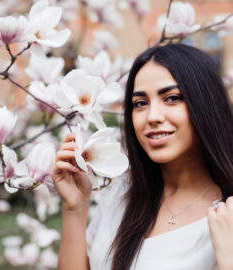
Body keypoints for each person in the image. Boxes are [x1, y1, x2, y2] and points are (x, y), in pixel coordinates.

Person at [51, 43, 233, 270]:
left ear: (207, 104)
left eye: (172, 98)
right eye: (140, 103)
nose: (152, 116)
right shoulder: (119, 197)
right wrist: (75, 209)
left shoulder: (227, 216)